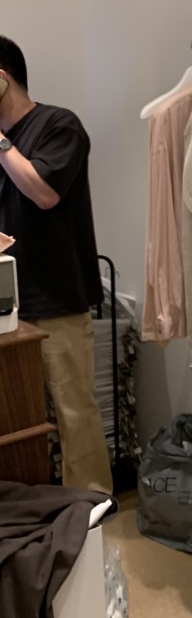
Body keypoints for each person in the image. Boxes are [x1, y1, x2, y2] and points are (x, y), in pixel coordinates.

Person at [0, 36, 112, 495]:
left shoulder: (59, 125)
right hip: (7, 306)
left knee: (74, 414)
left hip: (55, 300)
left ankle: (90, 511)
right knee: (16, 423)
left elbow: (44, 193)